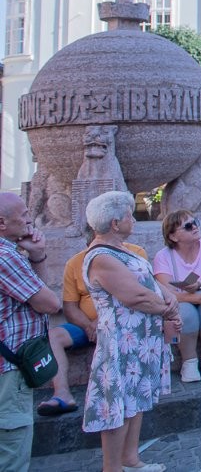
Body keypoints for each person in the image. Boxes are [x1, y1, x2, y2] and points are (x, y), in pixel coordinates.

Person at [81, 190, 180, 472]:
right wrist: (167, 309)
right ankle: (113, 467)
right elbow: (134, 296)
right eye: (128, 215)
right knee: (118, 404)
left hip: (140, 339)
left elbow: (149, 282)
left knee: (135, 399)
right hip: (120, 342)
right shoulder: (100, 256)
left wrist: (168, 296)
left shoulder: (122, 250)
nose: (133, 219)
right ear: (114, 223)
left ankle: (131, 460)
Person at [40, 226, 148, 418]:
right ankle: (62, 394)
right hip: (85, 325)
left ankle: (124, 393)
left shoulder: (135, 254)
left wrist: (102, 322)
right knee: (52, 337)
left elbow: (136, 294)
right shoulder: (75, 263)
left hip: (120, 321)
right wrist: (89, 326)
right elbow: (70, 306)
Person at [0, 193, 61, 472]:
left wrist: (37, 256)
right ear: (2, 223)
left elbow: (38, 290)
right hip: (7, 371)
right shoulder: (5, 257)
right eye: (23, 215)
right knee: (12, 447)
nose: (29, 219)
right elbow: (50, 303)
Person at [153, 209, 201, 383]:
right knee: (185, 312)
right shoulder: (163, 256)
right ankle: (189, 362)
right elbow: (168, 293)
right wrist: (199, 298)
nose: (195, 227)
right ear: (173, 236)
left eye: (195, 222)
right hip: (180, 300)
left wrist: (200, 285)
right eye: (188, 226)